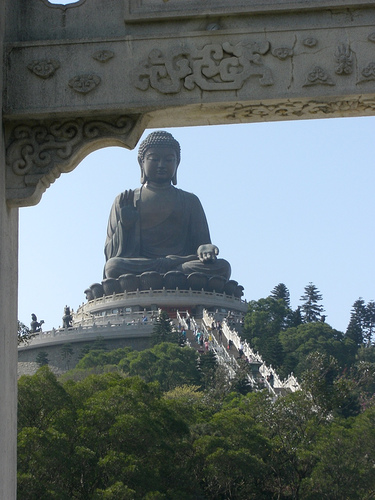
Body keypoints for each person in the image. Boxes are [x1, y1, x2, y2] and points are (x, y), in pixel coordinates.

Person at [104, 131, 231, 280]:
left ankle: (170, 274)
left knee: (223, 267)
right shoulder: (126, 200)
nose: (161, 165)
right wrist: (125, 226)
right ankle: (171, 276)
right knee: (113, 267)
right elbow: (110, 255)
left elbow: (202, 245)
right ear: (141, 162)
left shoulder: (190, 201)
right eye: (154, 159)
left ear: (177, 163)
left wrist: (205, 248)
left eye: (169, 160)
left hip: (181, 264)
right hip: (142, 266)